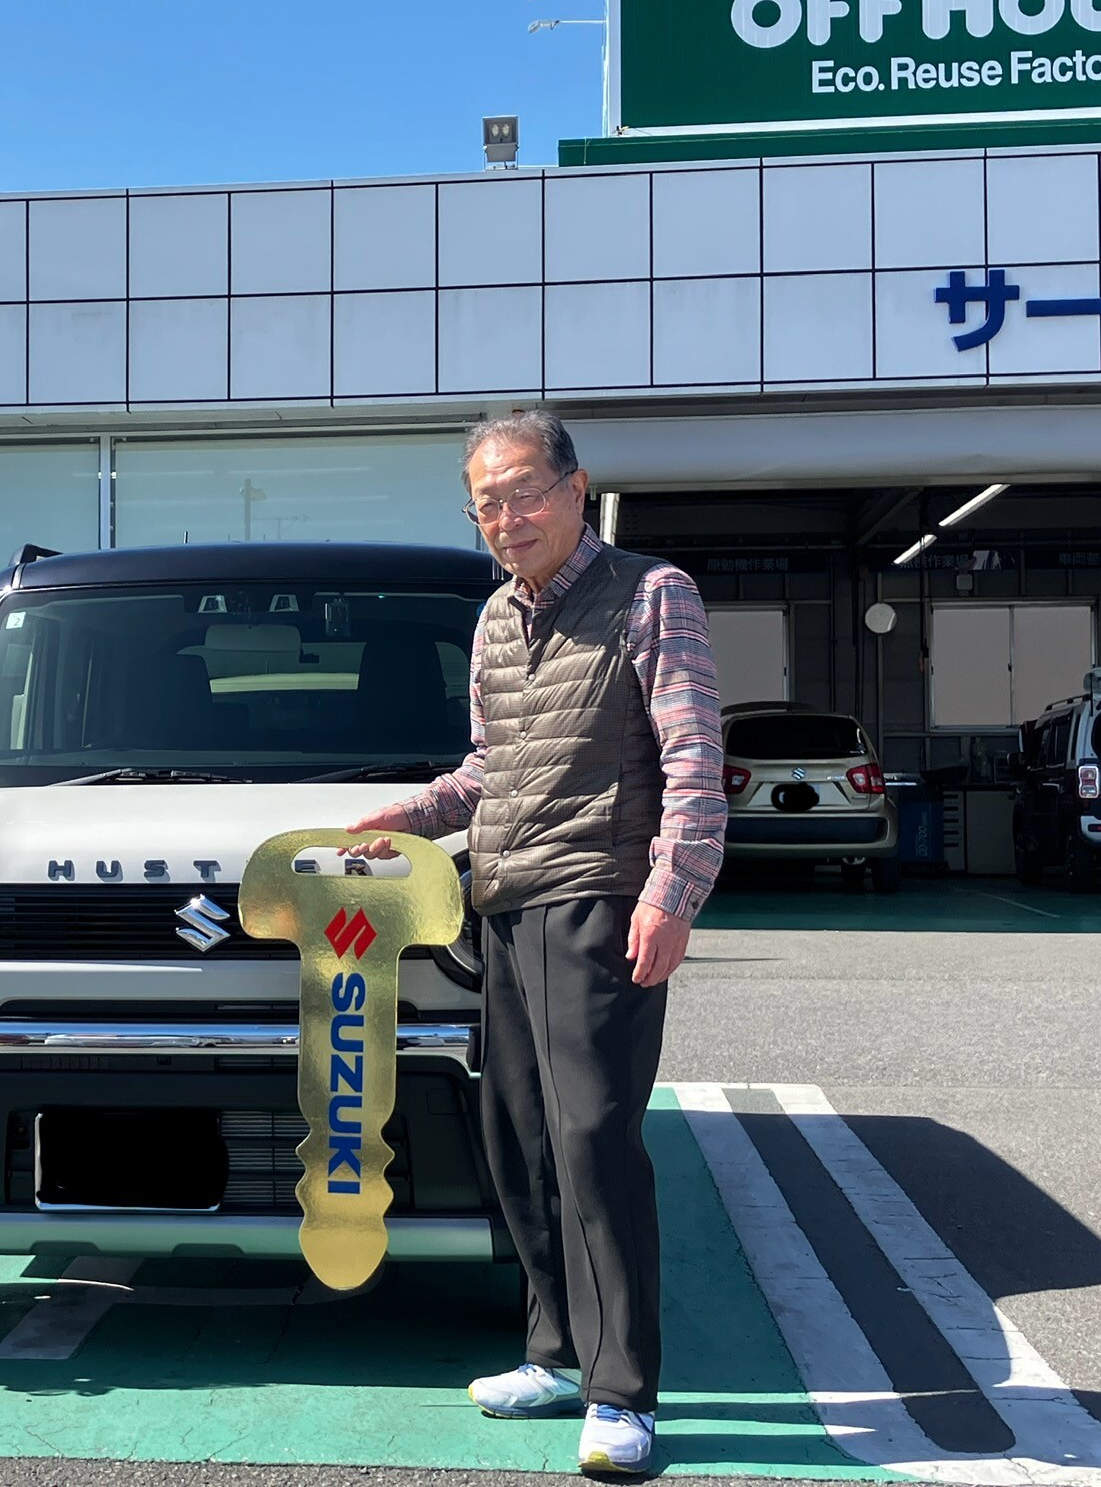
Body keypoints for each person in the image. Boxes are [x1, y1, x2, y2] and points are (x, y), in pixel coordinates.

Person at [344, 411, 724, 1475]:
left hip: (600, 895)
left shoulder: (653, 595)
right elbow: (490, 770)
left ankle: (623, 1394)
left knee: (594, 1140)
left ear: (576, 489)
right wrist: (413, 815)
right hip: (504, 902)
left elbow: (694, 756)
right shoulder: (495, 619)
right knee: (518, 1138)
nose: (507, 518)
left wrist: (674, 892)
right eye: (487, 504)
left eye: (523, 493)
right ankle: (554, 1352)